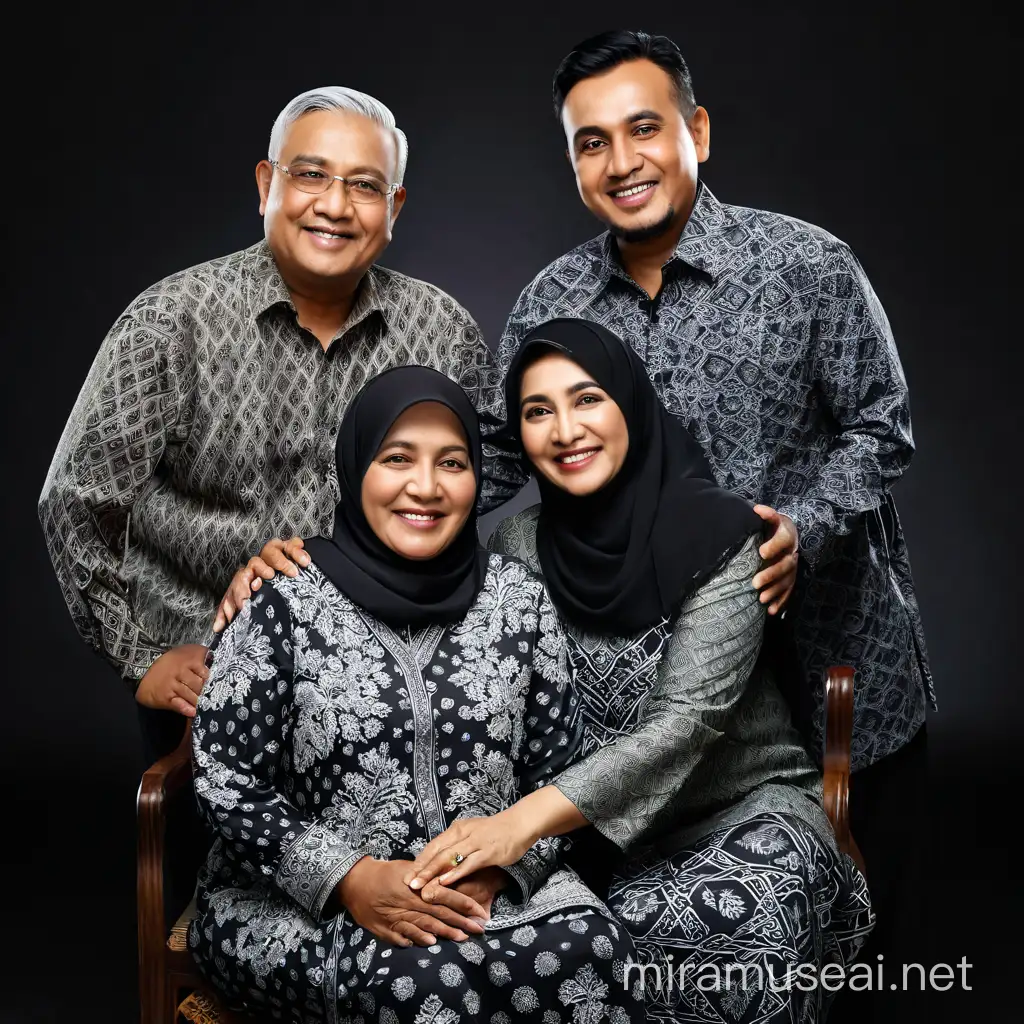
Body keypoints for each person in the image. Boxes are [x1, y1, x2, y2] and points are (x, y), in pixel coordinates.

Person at [236, 321, 874, 1023]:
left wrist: (519, 824)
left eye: (587, 400)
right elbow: (424, 595)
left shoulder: (726, 538)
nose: (566, 430)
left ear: (629, 404)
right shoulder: (517, 542)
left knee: (737, 924)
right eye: (538, 412)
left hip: (736, 813)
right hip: (592, 838)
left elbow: (687, 726)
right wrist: (306, 562)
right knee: (586, 949)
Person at [494, 31, 933, 1005]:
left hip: (826, 644)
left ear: (695, 130)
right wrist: (339, 558)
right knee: (676, 935)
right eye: (590, 142)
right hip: (658, 683)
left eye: (642, 129)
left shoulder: (805, 265)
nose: (621, 162)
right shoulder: (554, 300)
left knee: (872, 948)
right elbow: (491, 459)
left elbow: (880, 423)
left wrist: (802, 530)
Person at [37, 85, 517, 767]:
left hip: (388, 673)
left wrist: (402, 561)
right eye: (311, 174)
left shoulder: (443, 331)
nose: (334, 205)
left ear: (394, 208)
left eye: (364, 185)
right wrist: (138, 654)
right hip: (215, 676)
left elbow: (491, 463)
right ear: (267, 184)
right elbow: (75, 499)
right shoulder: (172, 323)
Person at [190, 365, 644, 1023]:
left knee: (599, 949)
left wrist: (504, 867)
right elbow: (224, 779)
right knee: (419, 982)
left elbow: (564, 780)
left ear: (477, 479)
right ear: (355, 470)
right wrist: (350, 879)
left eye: (452, 463)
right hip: (297, 902)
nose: (426, 488)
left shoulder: (519, 602)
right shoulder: (283, 601)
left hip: (491, 894)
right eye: (397, 459)